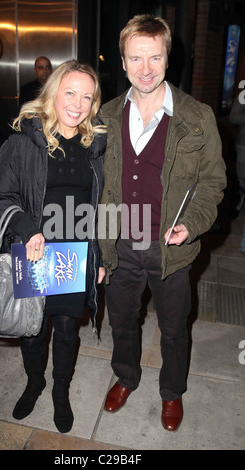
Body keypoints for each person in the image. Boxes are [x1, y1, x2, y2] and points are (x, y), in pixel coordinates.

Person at [98, 14, 227, 431]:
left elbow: (213, 181)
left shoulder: (197, 116)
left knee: (174, 328)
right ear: (122, 62)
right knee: (122, 320)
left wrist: (191, 223)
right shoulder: (106, 114)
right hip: (119, 243)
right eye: (136, 58)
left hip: (171, 246)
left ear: (168, 58)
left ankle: (172, 391)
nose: (146, 69)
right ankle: (126, 376)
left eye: (155, 57)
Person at [0, 60, 107, 433]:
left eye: (87, 96)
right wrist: (26, 227)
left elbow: (104, 205)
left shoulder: (96, 144)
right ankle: (35, 381)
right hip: (35, 252)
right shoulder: (23, 142)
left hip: (74, 253)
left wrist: (100, 256)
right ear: (53, 92)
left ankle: (60, 391)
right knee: (32, 330)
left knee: (67, 329)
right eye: (70, 92)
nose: (78, 104)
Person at [229, 93, 245, 254]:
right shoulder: (242, 94)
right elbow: (234, 116)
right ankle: (239, 204)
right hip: (243, 145)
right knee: (241, 180)